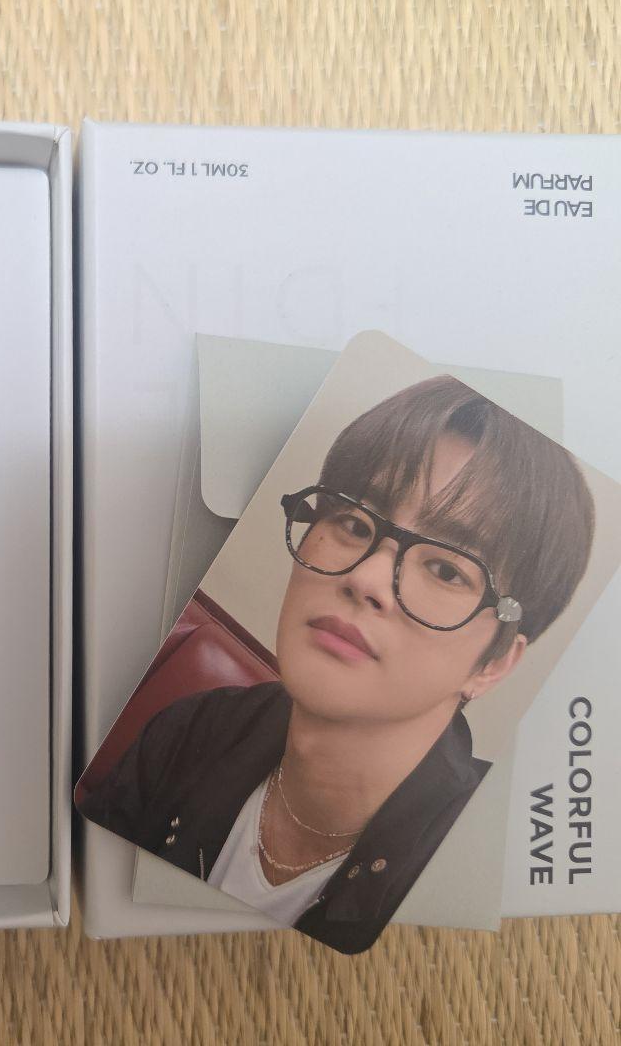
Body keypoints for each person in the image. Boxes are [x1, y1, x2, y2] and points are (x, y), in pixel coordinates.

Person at [76, 375, 595, 954]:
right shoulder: (191, 729)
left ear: (493, 664)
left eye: (446, 569)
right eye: (354, 523)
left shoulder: (468, 865)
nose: (366, 577)